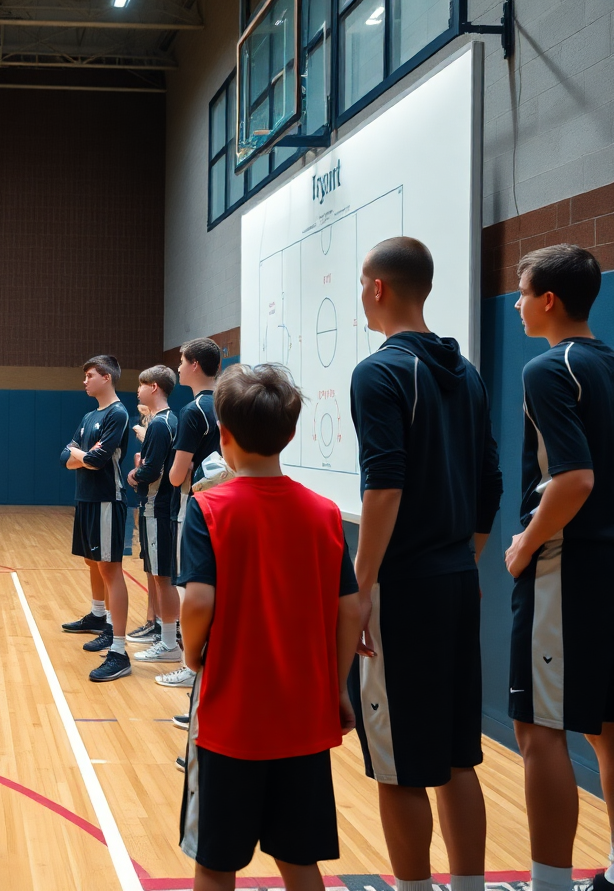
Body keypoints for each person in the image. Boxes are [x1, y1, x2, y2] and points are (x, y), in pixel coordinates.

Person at [349, 237, 502, 891]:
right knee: (457, 758)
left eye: (361, 282)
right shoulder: (464, 371)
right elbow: (490, 482)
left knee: (399, 765)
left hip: (402, 589)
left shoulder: (378, 371)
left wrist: (361, 589)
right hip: (456, 581)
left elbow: (384, 489)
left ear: (378, 287)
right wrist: (463, 559)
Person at [177, 363, 363, 890]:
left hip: (229, 718)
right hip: (303, 715)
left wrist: (193, 653)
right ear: (291, 433)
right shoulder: (325, 513)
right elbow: (350, 610)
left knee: (216, 864)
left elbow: (198, 601)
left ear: (224, 435)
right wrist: (336, 684)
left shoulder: (208, 507)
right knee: (301, 860)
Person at [502, 245, 614, 891]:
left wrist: (524, 545)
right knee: (606, 728)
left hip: (565, 573)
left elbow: (573, 479)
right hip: (607, 571)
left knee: (538, 729)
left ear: (548, 301)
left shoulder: (549, 369)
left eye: (521, 293)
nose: (516, 305)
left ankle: (547, 886)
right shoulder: (608, 364)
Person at [59, 355, 132, 682]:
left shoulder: (118, 414)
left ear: (105, 377)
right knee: (93, 562)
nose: (84, 381)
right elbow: (66, 455)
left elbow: (98, 459)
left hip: (106, 500)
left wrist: (84, 456)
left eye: (89, 375)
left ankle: (119, 649)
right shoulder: (90, 415)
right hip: (86, 499)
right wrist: (82, 457)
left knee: (110, 568)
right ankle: (98, 616)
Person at [157, 337, 220, 691]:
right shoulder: (229, 404)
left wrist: (176, 469)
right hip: (230, 507)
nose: (178, 367)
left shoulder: (193, 412)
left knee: (190, 587)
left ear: (195, 364)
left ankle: (190, 666)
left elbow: (177, 475)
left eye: (182, 361)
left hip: (197, 508)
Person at [126, 365, 180, 663]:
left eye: (141, 384)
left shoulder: (160, 424)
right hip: (157, 506)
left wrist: (136, 474)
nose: (138, 390)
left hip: (158, 506)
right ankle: (163, 632)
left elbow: (152, 469)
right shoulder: (168, 420)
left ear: (154, 387)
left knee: (163, 576)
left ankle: (169, 642)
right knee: (158, 573)